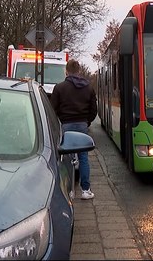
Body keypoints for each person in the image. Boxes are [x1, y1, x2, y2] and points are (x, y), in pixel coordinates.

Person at [50, 59, 97, 200]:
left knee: (65, 157)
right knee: (83, 158)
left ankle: (66, 190)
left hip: (65, 125)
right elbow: (94, 110)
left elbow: (53, 109)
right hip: (82, 125)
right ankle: (85, 190)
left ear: (67, 71)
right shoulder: (88, 87)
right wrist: (86, 121)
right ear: (79, 71)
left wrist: (60, 121)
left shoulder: (59, 88)